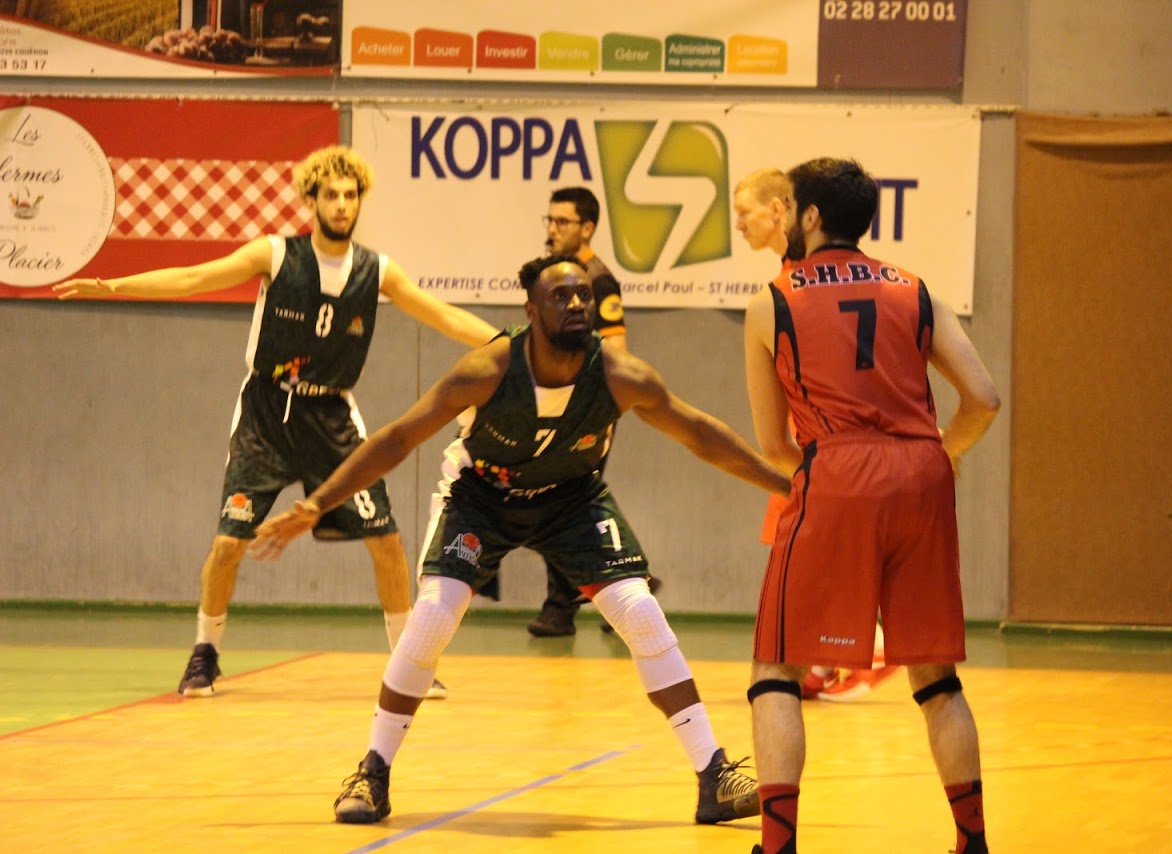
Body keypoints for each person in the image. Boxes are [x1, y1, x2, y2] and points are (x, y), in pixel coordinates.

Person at [251, 254, 790, 826]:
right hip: (480, 498)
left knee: (640, 611)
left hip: (571, 499)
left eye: (583, 294)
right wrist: (318, 503)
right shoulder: (485, 370)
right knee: (432, 617)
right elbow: (398, 438)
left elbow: (701, 434)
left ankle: (714, 775)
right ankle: (373, 772)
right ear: (531, 311)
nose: (577, 303)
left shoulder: (621, 375)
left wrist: (788, 486)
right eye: (561, 296)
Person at [53, 145, 497, 700]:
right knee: (229, 542)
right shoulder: (276, 254)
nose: (342, 204)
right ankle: (205, 653)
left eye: (350, 195)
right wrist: (115, 286)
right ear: (311, 200)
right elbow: (194, 277)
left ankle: (409, 661)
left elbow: (444, 315)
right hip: (267, 413)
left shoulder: (377, 270)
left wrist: (514, 342)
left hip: (331, 415)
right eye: (331, 195)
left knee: (386, 539)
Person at [741, 157, 1000, 854]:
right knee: (936, 677)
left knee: (777, 667)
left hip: (836, 469)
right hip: (922, 475)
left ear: (811, 216)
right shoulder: (914, 290)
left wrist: (831, 478)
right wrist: (941, 453)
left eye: (792, 207)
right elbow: (984, 398)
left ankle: (777, 847)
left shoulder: (773, 301)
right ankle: (972, 842)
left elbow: (772, 444)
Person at [733, 167, 901, 703]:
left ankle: (866, 646)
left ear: (783, 210)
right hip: (812, 431)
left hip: (827, 437)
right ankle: (825, 660)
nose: (739, 224)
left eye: (744, 212)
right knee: (806, 540)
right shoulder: (791, 273)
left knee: (813, 540)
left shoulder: (805, 277)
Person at [525, 185, 662, 637]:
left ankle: (562, 607)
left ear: (587, 228)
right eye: (549, 220)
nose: (552, 229)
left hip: (586, 411)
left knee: (563, 499)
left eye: (562, 221)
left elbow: (616, 348)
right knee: (563, 500)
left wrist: (597, 410)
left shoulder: (598, 281)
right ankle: (631, 579)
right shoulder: (554, 274)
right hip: (557, 407)